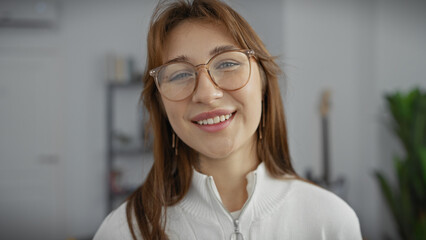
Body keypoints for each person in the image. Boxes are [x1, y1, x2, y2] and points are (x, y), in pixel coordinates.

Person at [94, 0, 362, 239]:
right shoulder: (124, 231)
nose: (207, 94)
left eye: (226, 64)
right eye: (179, 74)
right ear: (161, 107)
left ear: (264, 85)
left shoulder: (331, 222)